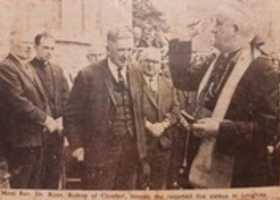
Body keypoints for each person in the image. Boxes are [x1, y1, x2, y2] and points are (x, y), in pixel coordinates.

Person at [189, 2, 280, 188]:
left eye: (219, 24)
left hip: (238, 173)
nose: (213, 30)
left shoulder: (262, 68)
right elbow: (183, 80)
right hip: (205, 162)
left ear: (235, 29)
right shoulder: (217, 60)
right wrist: (182, 38)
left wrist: (219, 129)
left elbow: (266, 131)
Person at [64, 27, 147, 190]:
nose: (126, 55)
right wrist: (77, 146)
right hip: (99, 154)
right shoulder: (88, 75)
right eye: (121, 50)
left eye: (129, 49)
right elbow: (71, 115)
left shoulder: (136, 71)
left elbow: (139, 111)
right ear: (108, 50)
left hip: (131, 154)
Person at [0, 29, 61, 188]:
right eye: (23, 44)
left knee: (34, 187)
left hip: (35, 140)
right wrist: (45, 119)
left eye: (29, 44)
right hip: (20, 141)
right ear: (12, 44)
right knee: (22, 187)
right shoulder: (6, 67)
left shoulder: (26, 67)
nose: (28, 48)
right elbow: (18, 101)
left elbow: (41, 99)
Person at [30, 32, 70, 189]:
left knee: (53, 180)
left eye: (52, 48)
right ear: (36, 47)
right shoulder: (27, 69)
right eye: (45, 47)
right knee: (35, 181)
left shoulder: (58, 70)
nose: (49, 52)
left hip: (56, 135)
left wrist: (62, 119)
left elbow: (68, 99)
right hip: (37, 135)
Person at [137, 48, 180, 189]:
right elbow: (128, 110)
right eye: (147, 61)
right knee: (139, 185)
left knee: (159, 185)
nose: (151, 65)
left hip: (163, 145)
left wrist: (164, 125)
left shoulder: (167, 83)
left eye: (155, 62)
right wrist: (148, 125)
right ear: (140, 62)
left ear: (161, 64)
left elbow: (176, 109)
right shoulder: (132, 83)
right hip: (140, 143)